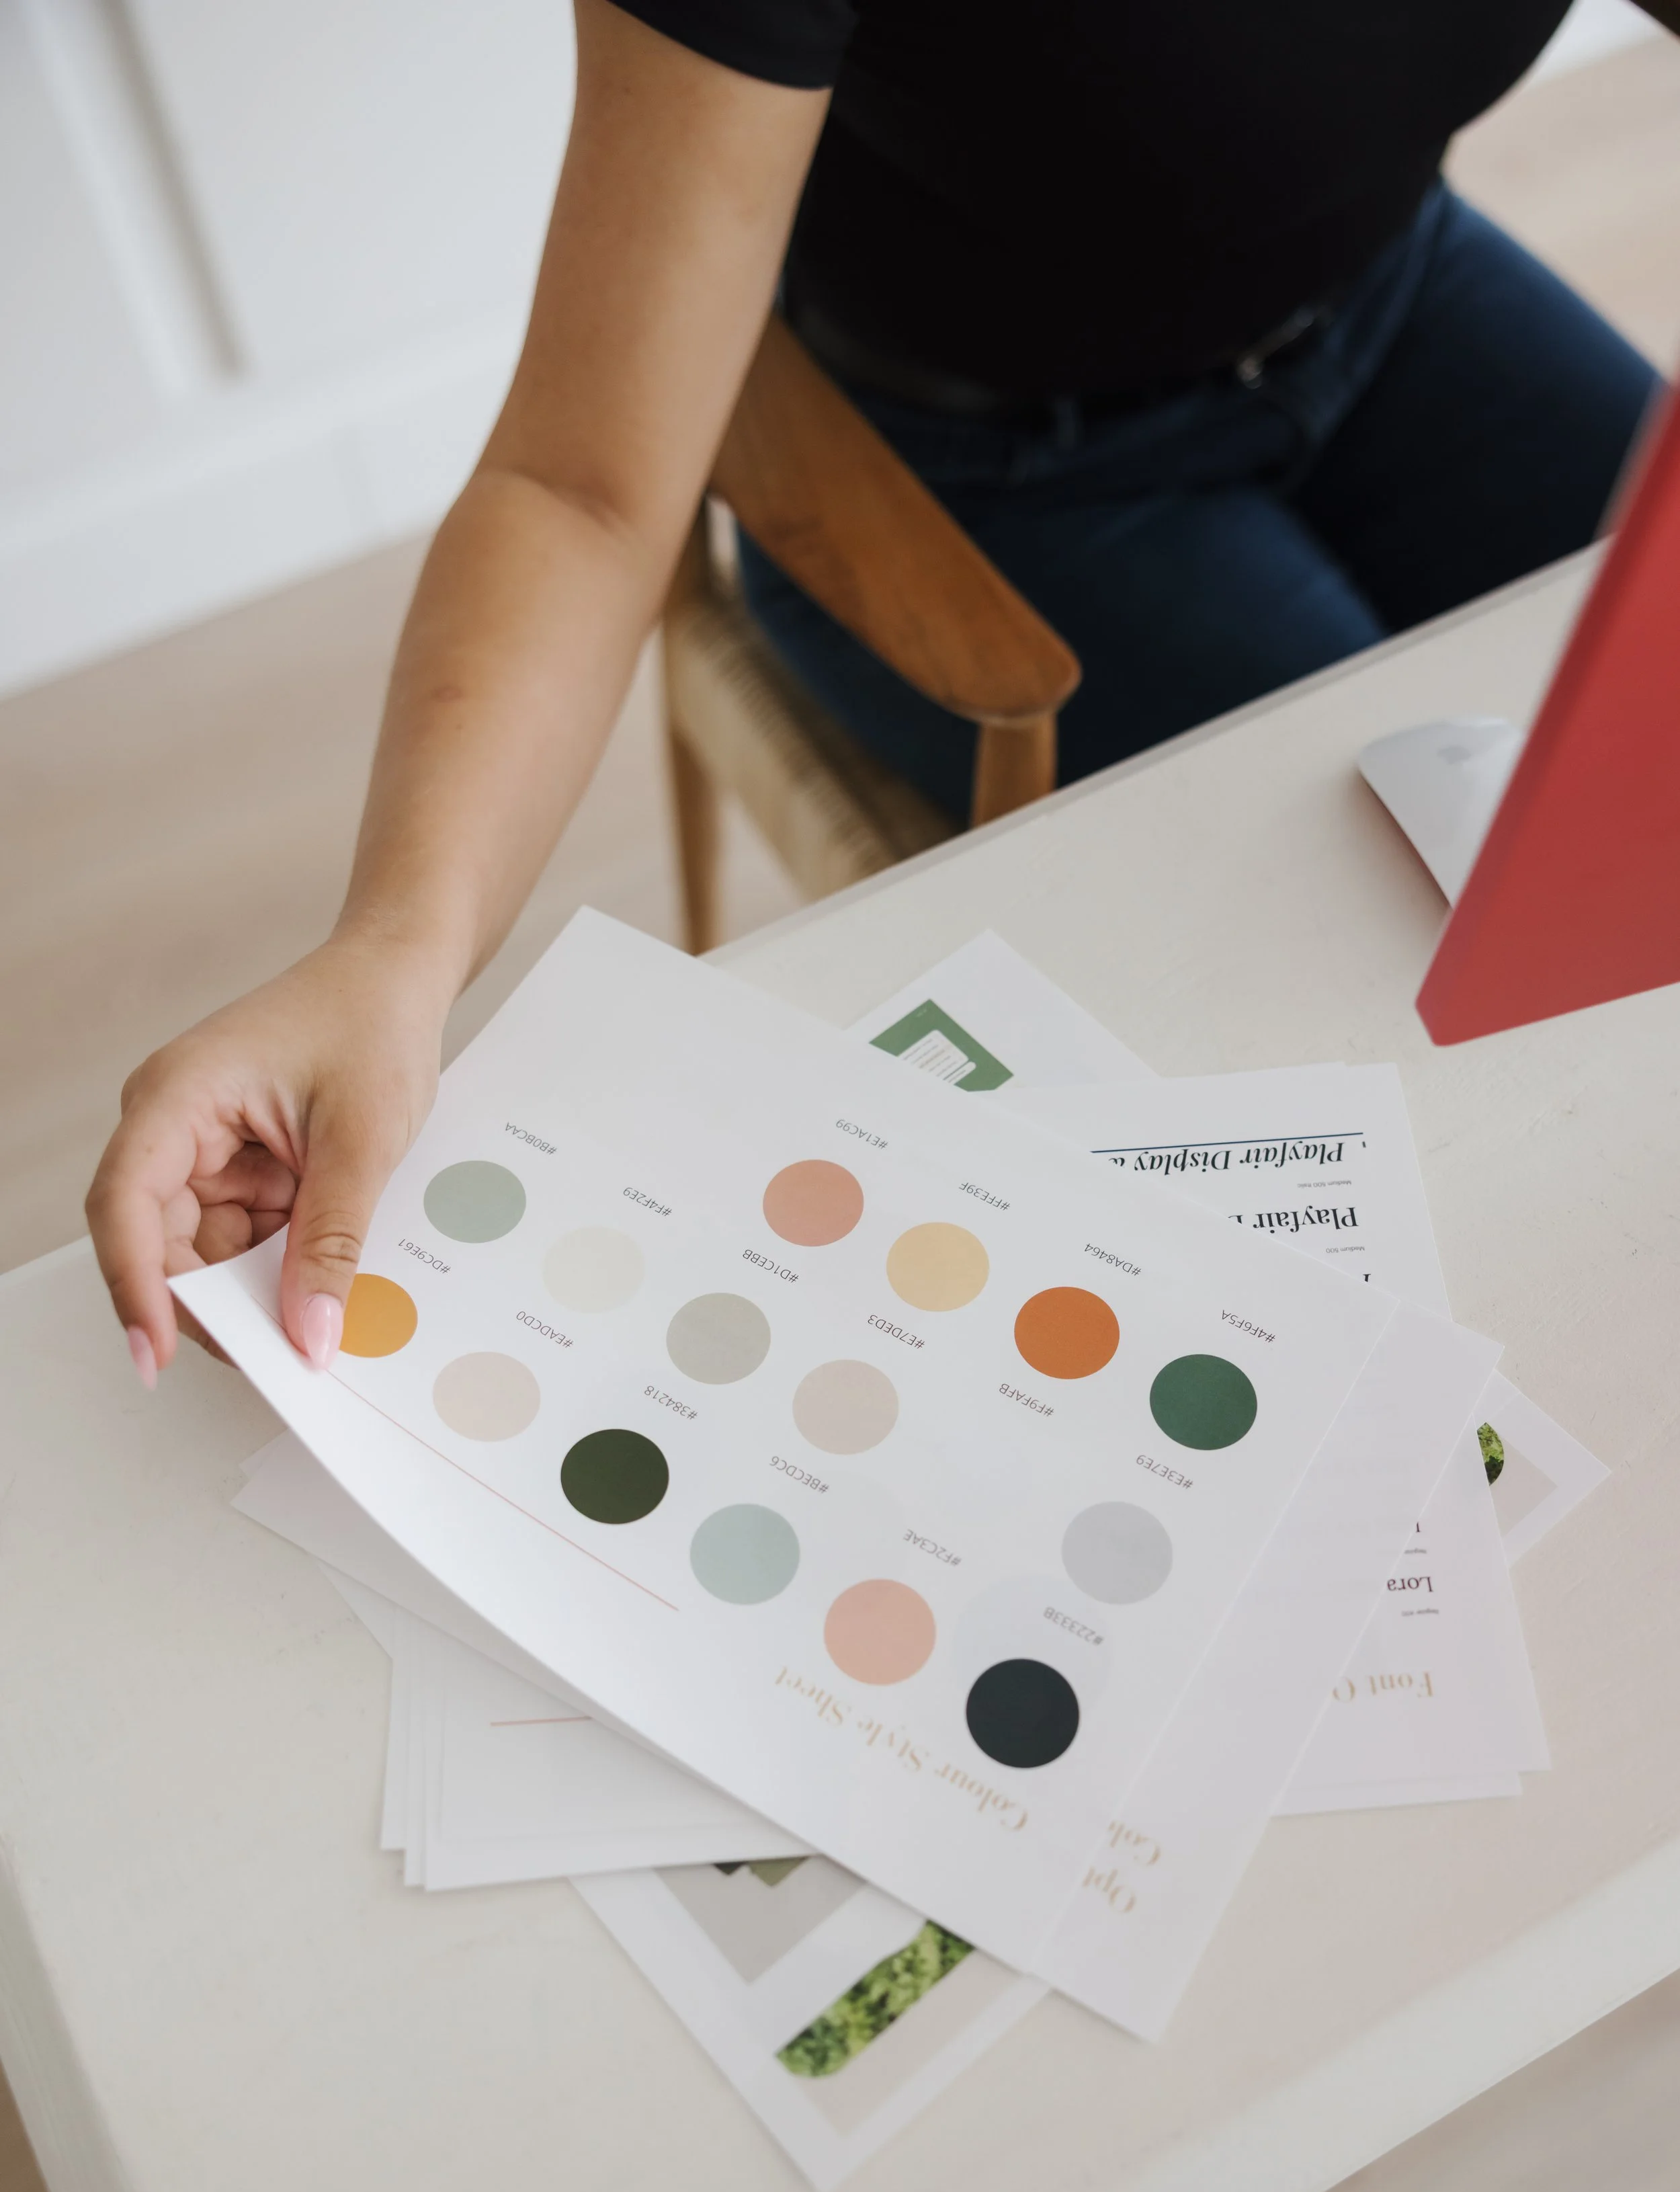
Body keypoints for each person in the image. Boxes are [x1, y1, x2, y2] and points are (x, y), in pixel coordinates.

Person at [88, 0, 1671, 1381]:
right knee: (1429, 1029)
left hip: (1396, 289)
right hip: (985, 474)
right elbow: (581, 488)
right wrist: (392, 947)